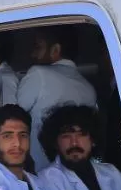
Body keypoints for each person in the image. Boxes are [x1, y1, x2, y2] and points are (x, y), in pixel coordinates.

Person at [16, 29, 96, 170]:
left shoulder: (39, 74)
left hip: (39, 171)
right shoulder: (89, 88)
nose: (33, 54)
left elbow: (14, 116)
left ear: (55, 49)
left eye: (38, 47)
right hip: (77, 168)